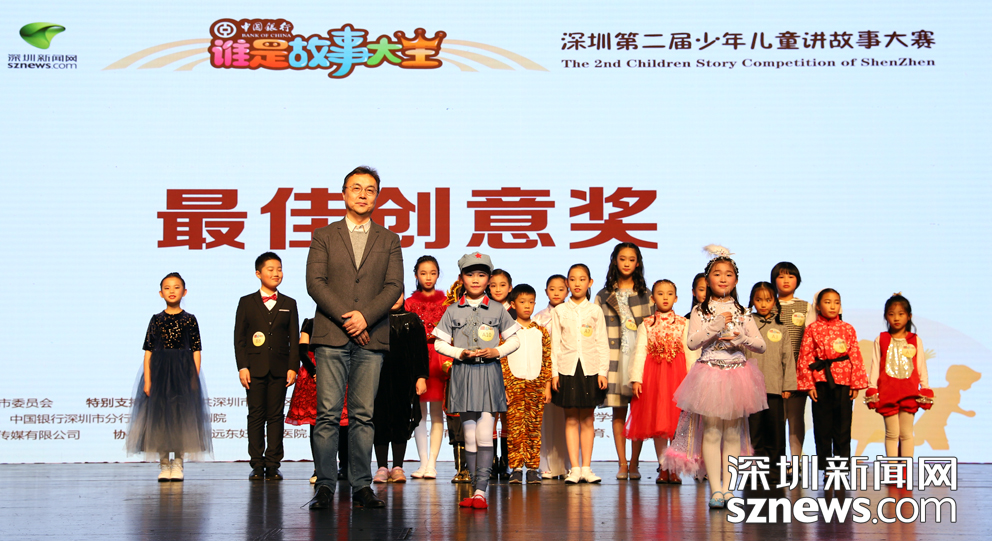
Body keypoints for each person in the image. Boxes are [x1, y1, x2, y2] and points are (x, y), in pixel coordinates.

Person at [305, 166, 404, 511]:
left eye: (370, 189)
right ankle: (325, 484)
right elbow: (315, 283)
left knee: (364, 415)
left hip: (371, 336)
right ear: (344, 194)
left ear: (377, 197)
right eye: (356, 188)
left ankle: (362, 485)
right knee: (327, 415)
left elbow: (394, 286)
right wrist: (350, 318)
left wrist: (366, 317)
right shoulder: (323, 235)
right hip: (332, 333)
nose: (363, 194)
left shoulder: (389, 239)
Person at [663, 245, 767, 509]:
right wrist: (715, 325)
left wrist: (741, 339)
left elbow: (761, 344)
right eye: (717, 274)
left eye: (728, 274)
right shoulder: (701, 311)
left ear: (736, 280)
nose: (723, 278)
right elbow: (692, 342)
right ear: (708, 280)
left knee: (732, 433)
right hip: (709, 373)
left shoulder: (743, 311)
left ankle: (730, 489)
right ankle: (715, 489)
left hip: (737, 374)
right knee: (710, 432)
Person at [432, 252, 521, 509]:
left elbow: (515, 339)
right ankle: (474, 489)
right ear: (461, 278)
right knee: (469, 436)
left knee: (484, 433)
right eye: (470, 274)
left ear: (488, 279)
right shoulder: (452, 310)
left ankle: (481, 491)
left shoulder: (497, 309)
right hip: (463, 374)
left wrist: (497, 351)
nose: (475, 279)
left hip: (488, 373)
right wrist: (458, 353)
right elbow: (439, 343)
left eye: (481, 275)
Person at [126, 272, 212, 481]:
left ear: (184, 291)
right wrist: (148, 380)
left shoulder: (190, 319)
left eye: (176, 287)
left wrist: (194, 377)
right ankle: (164, 463)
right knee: (160, 418)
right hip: (160, 372)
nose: (172, 291)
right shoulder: (156, 319)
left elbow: (196, 350)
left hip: (183, 372)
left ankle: (178, 463)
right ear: (160, 293)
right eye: (167, 288)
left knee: (180, 417)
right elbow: (148, 352)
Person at [234, 252, 300, 481]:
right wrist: (243, 366)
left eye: (279, 269)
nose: (276, 273)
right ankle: (257, 463)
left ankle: (273, 463)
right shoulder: (246, 302)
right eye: (270, 269)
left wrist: (293, 367)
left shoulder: (289, 303)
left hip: (280, 369)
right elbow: (239, 338)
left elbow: (294, 338)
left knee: (275, 416)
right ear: (258, 273)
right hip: (254, 369)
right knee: (255, 416)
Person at [626, 279, 694, 484]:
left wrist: (692, 380)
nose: (665, 297)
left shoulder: (683, 323)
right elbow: (639, 352)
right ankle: (663, 467)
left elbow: (689, 352)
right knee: (659, 424)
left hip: (677, 377)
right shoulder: (646, 324)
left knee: (676, 425)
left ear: (676, 298)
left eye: (669, 293)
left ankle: (675, 468)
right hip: (653, 378)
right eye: (660, 293)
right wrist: (636, 379)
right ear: (652, 298)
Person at [595, 243, 653, 480]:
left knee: (638, 413)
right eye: (622, 258)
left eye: (631, 259)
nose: (627, 263)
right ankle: (621, 463)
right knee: (618, 411)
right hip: (614, 358)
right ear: (614, 261)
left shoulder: (647, 294)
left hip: (639, 359)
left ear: (637, 263)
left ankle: (635, 463)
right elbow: (596, 331)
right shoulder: (603, 295)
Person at [795, 288, 868, 472]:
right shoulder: (812, 329)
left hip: (844, 382)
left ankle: (841, 468)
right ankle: (827, 469)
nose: (833, 306)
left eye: (836, 302)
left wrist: (856, 383)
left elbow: (855, 356)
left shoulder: (847, 328)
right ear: (818, 306)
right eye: (827, 302)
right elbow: (805, 356)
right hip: (821, 381)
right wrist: (809, 384)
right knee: (822, 427)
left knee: (843, 427)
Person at [551, 263, 609, 485]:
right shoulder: (560, 311)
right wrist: (554, 373)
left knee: (587, 418)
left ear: (590, 282)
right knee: (571, 418)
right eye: (573, 279)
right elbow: (555, 344)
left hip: (590, 369)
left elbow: (602, 342)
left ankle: (587, 468)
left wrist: (602, 371)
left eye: (582, 279)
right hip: (566, 368)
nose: (577, 283)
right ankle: (574, 468)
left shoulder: (595, 311)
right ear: (567, 283)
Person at [866, 294, 933, 472]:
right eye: (891, 314)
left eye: (901, 314)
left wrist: (925, 388)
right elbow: (875, 365)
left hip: (909, 392)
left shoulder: (915, 340)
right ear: (886, 316)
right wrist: (872, 388)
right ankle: (893, 470)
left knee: (906, 434)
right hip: (888, 393)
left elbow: (921, 367)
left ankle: (906, 469)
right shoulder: (881, 339)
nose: (896, 318)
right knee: (891, 434)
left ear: (909, 316)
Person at [372, 293, 429, 484]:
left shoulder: (412, 320)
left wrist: (421, 377)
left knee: (401, 419)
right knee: (379, 420)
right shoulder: (374, 319)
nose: (395, 297)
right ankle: (381, 467)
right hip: (378, 377)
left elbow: (421, 351)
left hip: (405, 379)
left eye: (400, 293)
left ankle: (397, 466)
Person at [287, 319, 350, 484]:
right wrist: (315, 372)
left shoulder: (345, 323)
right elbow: (302, 352)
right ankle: (320, 468)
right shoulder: (310, 323)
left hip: (340, 372)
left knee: (344, 422)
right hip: (313, 376)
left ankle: (345, 467)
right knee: (316, 423)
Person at [745, 282, 797, 483]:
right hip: (751, 389)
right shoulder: (747, 325)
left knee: (776, 432)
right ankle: (754, 472)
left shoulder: (781, 328)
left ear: (774, 301)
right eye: (758, 300)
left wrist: (788, 385)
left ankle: (776, 472)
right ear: (752, 301)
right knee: (754, 432)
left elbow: (788, 358)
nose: (763, 304)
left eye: (768, 300)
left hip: (775, 388)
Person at [501, 284, 553, 484]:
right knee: (514, 428)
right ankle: (515, 468)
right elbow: (502, 360)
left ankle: (532, 468)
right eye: (522, 302)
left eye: (531, 302)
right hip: (514, 384)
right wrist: (505, 387)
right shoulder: (507, 332)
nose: (527, 306)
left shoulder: (541, 332)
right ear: (513, 304)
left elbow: (547, 360)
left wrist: (546, 386)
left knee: (533, 428)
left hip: (536, 384)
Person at [770, 261, 816, 469]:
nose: (786, 280)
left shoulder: (805, 307)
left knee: (796, 418)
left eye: (790, 276)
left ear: (798, 280)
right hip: (773, 369)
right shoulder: (767, 304)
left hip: (798, 369)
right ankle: (777, 462)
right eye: (781, 276)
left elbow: (812, 339)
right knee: (776, 418)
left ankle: (795, 461)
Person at [406, 255, 447, 480]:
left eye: (432, 273)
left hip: (439, 357)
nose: (428, 277)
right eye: (423, 273)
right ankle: (422, 462)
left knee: (437, 412)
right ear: (416, 275)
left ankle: (432, 463)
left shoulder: (447, 302)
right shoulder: (409, 303)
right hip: (416, 359)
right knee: (418, 413)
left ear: (438, 274)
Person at [533, 274, 571, 479]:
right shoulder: (538, 318)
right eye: (552, 289)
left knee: (568, 419)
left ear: (568, 291)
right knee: (545, 419)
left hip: (567, 370)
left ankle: (568, 464)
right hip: (544, 373)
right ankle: (545, 464)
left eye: (561, 289)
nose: (556, 293)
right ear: (546, 291)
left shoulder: (572, 314)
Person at [487, 268, 514, 479]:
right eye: (493, 285)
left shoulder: (516, 312)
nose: (497, 289)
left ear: (510, 288)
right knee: (490, 416)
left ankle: (505, 461)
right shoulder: (484, 310)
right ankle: (490, 462)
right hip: (490, 367)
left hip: (512, 369)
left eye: (502, 285)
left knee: (507, 416)